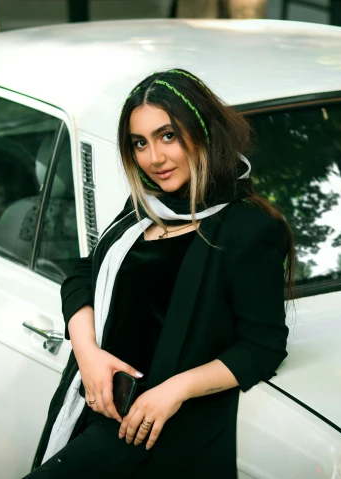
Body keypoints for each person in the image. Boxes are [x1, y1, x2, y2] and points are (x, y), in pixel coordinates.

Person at [25, 68, 294, 478]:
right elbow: (85, 272)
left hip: (153, 434)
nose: (155, 158)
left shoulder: (249, 229)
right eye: (140, 143)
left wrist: (173, 391)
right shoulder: (147, 208)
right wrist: (89, 355)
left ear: (203, 132)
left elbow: (262, 347)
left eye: (168, 136)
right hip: (91, 407)